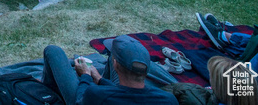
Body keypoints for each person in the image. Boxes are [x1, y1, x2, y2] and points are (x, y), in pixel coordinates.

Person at [41, 35, 179, 105]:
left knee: (53, 51)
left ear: (116, 65)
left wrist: (86, 76)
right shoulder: (168, 99)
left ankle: (45, 92)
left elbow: (80, 100)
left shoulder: (96, 94)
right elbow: (129, 95)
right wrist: (100, 79)